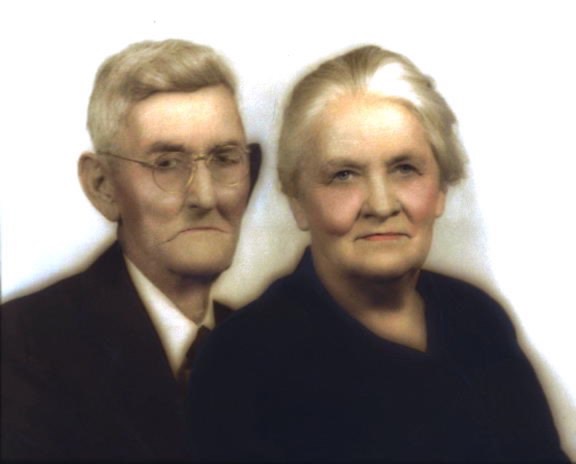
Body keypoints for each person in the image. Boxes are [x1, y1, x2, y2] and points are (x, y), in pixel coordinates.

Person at [187, 45, 568, 461]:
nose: (381, 205)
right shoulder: (241, 360)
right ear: (297, 200)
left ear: (441, 188)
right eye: (344, 175)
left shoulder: (477, 318)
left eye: (405, 169)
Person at [1, 39, 259, 461]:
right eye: (166, 164)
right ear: (102, 186)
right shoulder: (22, 349)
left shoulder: (267, 346)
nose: (206, 196)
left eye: (224, 158)